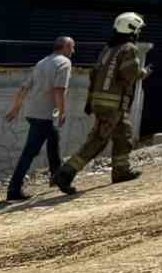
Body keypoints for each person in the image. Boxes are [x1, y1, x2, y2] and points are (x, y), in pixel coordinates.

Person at [53, 12, 150, 194]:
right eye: (138, 30)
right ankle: (65, 173)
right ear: (131, 29)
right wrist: (143, 72)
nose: (138, 34)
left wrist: (90, 101)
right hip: (113, 105)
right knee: (97, 141)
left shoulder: (108, 49)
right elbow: (130, 74)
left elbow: (95, 74)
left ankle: (121, 171)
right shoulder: (129, 49)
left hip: (104, 103)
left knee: (124, 135)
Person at [3, 36, 75, 202]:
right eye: (72, 47)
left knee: (53, 142)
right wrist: (62, 112)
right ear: (64, 47)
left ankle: (57, 177)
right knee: (31, 152)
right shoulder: (64, 63)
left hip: (33, 112)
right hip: (45, 115)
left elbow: (24, 87)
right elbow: (59, 90)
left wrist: (16, 108)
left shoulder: (42, 62)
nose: (73, 51)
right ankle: (14, 189)